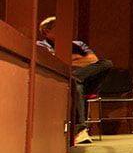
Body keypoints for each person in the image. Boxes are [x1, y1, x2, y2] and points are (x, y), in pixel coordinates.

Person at [38, 16, 115, 145]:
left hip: (84, 80)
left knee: (106, 63)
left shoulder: (78, 44)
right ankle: (80, 131)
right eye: (59, 28)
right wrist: (78, 59)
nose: (65, 31)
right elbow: (53, 63)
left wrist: (68, 61)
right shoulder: (41, 45)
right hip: (60, 82)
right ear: (47, 31)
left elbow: (93, 61)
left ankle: (76, 79)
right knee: (76, 84)